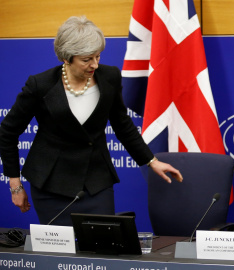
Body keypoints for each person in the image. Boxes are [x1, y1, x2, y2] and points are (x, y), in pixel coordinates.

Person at [0, 16, 183, 226]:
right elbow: (7, 132)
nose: (94, 64)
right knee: (58, 254)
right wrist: (15, 184)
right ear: (66, 58)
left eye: (98, 56)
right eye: (87, 59)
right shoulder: (39, 85)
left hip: (96, 183)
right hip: (51, 185)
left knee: (101, 249)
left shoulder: (110, 77)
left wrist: (151, 161)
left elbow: (123, 126)